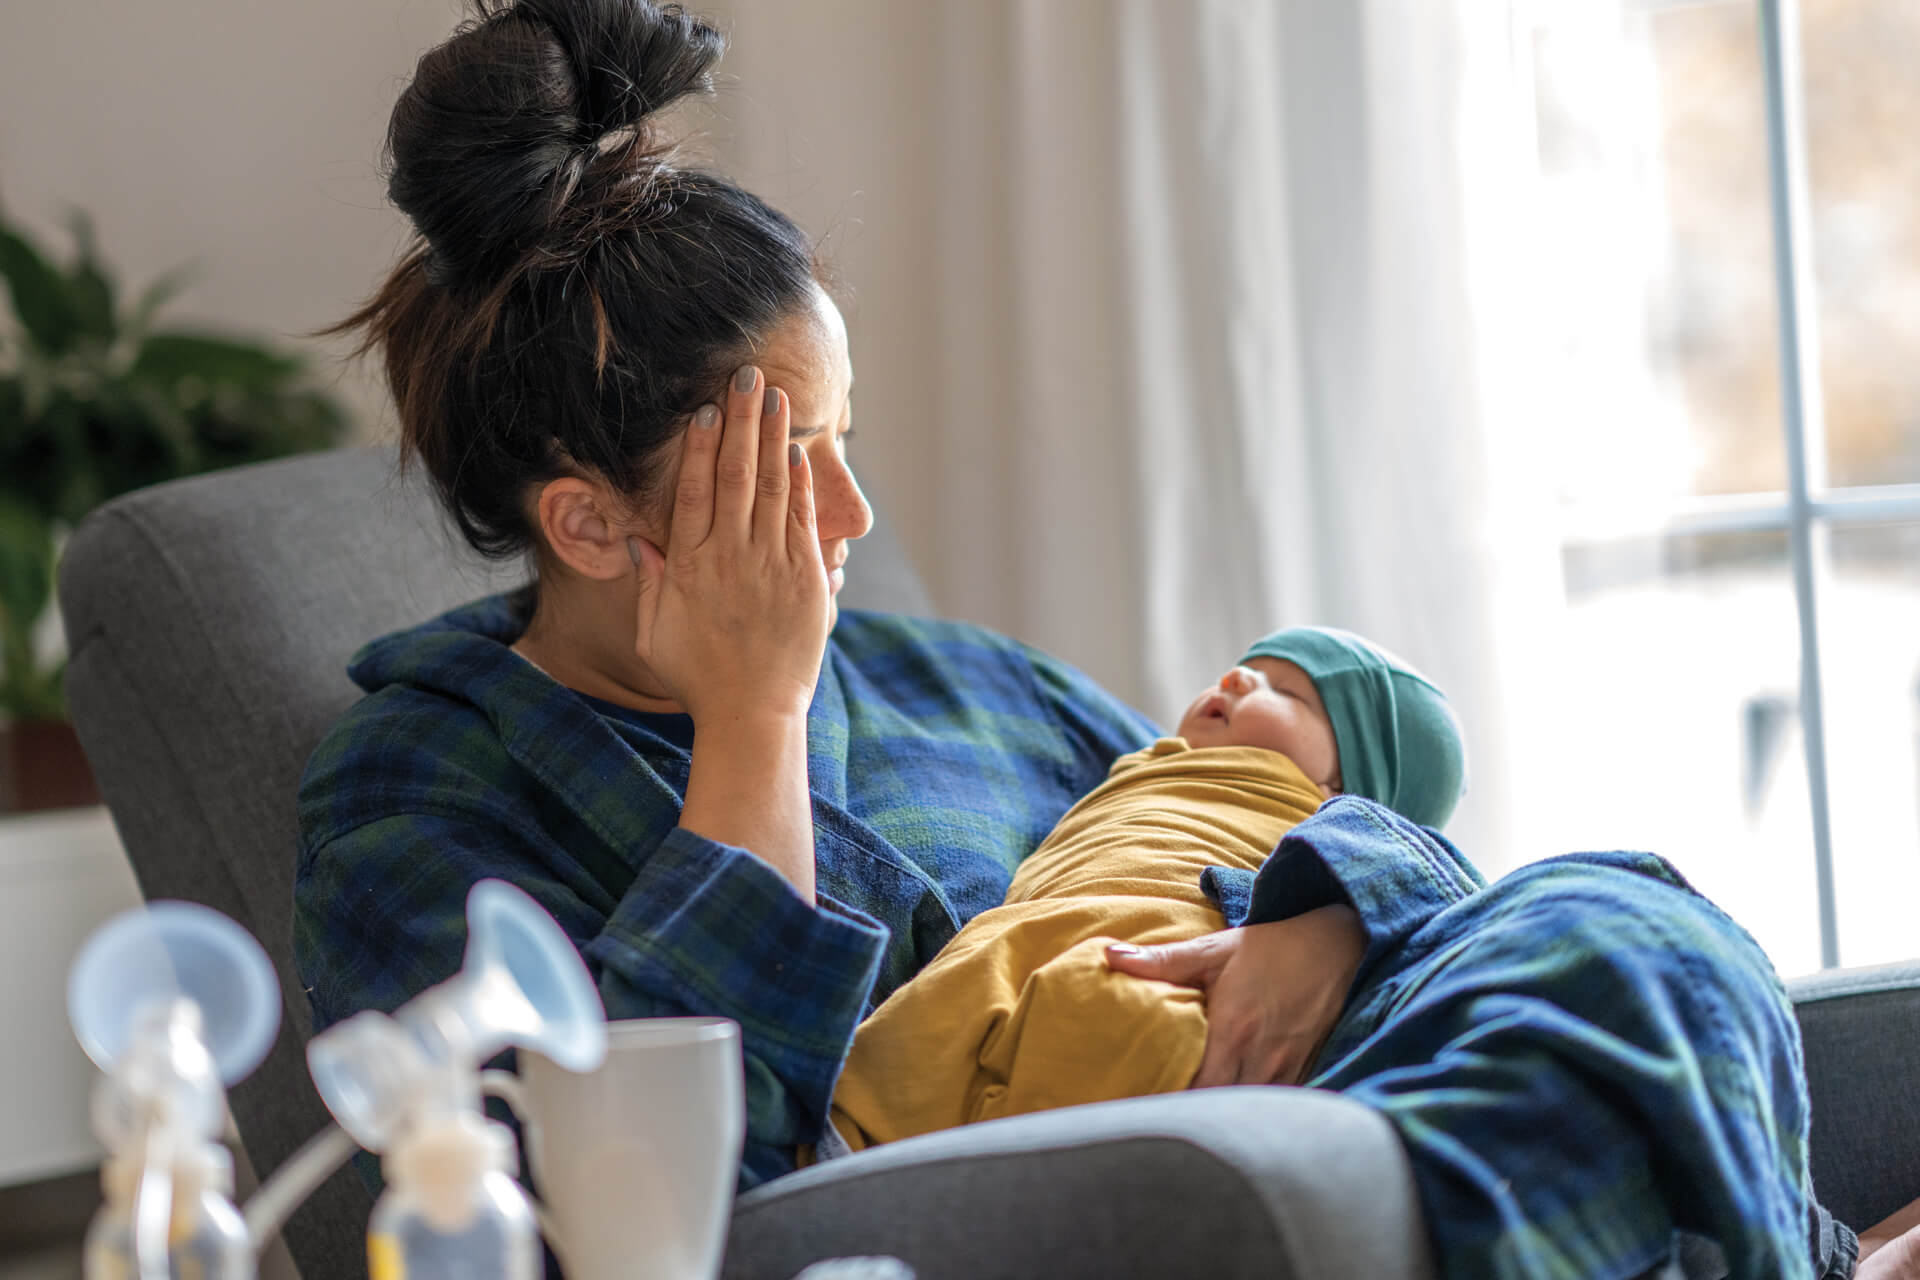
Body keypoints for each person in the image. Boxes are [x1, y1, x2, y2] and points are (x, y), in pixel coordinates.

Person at [291, 1, 1920, 1276]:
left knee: (1619, 909)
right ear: (587, 523)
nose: (852, 525)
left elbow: (1218, 807)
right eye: (794, 473)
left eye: (850, 446)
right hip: (1045, 1205)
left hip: (1330, 1067)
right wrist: (753, 728)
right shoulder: (412, 795)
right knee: (1553, 1056)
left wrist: (1326, 915)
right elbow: (626, 1216)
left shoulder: (965, 682)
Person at [823, 626, 1466, 1153]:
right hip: (1020, 937)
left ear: (1343, 786)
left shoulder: (1326, 818)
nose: (1237, 678)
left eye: (1290, 694)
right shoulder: (1141, 762)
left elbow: (1415, 879)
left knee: (1118, 1020)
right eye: (1246, 666)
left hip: (1157, 942)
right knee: (896, 1058)